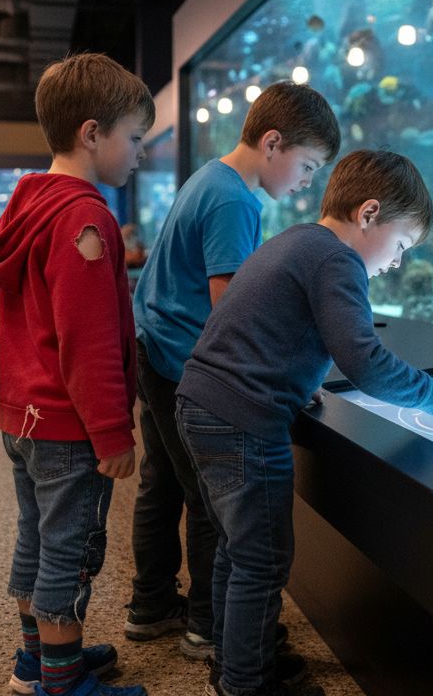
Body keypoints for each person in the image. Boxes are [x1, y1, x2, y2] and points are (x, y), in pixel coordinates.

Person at [177, 149, 433, 696]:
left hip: (202, 403)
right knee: (263, 560)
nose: (397, 262)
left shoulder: (298, 239)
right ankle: (247, 683)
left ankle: (233, 662)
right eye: (402, 245)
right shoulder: (337, 261)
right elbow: (365, 362)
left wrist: (296, 378)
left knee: (235, 549)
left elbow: (261, 328)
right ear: (368, 215)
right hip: (244, 421)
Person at [125, 81, 340, 663]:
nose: (307, 182)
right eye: (308, 165)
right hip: (181, 361)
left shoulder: (209, 176)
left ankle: (149, 605)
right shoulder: (235, 201)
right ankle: (206, 625)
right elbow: (233, 313)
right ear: (273, 143)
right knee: (208, 499)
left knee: (162, 482)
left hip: (154, 347)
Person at [0, 52, 154, 696]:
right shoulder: (86, 219)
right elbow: (88, 341)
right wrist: (112, 432)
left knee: (37, 536)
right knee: (70, 552)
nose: (138, 152)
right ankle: (61, 681)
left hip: (21, 417)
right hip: (66, 425)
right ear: (91, 133)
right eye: (133, 137)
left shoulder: (30, 205)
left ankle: (38, 660)